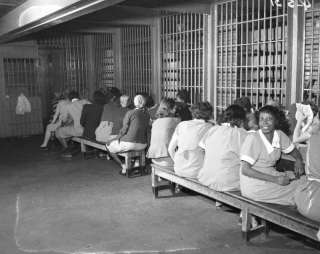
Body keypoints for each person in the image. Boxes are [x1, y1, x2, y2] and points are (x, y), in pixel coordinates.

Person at [240, 105, 306, 206]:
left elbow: (294, 152)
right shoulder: (253, 138)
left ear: (276, 121)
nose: (265, 122)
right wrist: (275, 180)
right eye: (262, 119)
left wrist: (299, 160)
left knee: (304, 182)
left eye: (269, 119)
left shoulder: (279, 135)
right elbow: (245, 170)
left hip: (269, 175)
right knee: (300, 189)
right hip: (254, 184)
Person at [198, 105, 248, 191]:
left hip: (206, 178)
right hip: (228, 183)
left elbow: (202, 149)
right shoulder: (241, 133)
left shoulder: (213, 129)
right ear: (241, 120)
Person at [106, 95, 150, 174]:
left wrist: (114, 139)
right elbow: (147, 130)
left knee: (108, 145)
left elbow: (124, 130)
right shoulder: (147, 114)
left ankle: (123, 165)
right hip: (143, 144)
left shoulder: (130, 113)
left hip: (130, 143)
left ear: (134, 102)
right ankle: (136, 164)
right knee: (136, 148)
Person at [168, 102, 213, 178]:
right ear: (210, 114)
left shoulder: (182, 124)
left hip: (179, 168)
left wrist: (178, 162)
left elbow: (170, 149)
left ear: (193, 112)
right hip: (197, 171)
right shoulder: (210, 127)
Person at [147, 98, 180, 168]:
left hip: (154, 159)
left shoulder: (155, 122)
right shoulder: (176, 121)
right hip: (168, 160)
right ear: (173, 109)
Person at [293, 108, 320, 181]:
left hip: (314, 177)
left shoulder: (314, 131)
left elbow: (295, 139)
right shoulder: (313, 131)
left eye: (316, 116)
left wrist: (299, 121)